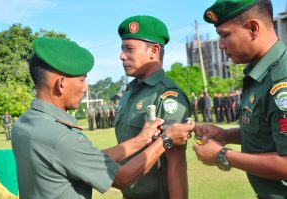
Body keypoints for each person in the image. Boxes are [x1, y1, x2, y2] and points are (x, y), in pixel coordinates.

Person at [11, 37, 195, 199]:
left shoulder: (25, 123)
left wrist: (140, 141)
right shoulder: (61, 136)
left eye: (129, 48)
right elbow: (122, 177)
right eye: (82, 80)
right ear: (60, 84)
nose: (85, 88)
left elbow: (85, 158)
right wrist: (165, 139)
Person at [193, 0, 287, 198]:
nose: (220, 45)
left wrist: (222, 155)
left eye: (225, 35)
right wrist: (226, 135)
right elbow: (267, 133)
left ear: (253, 28)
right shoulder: (260, 74)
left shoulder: (282, 79)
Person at [115, 15, 191, 199]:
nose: (122, 55)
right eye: (122, 48)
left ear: (154, 50)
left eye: (129, 49)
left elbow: (176, 162)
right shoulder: (130, 91)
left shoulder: (167, 96)